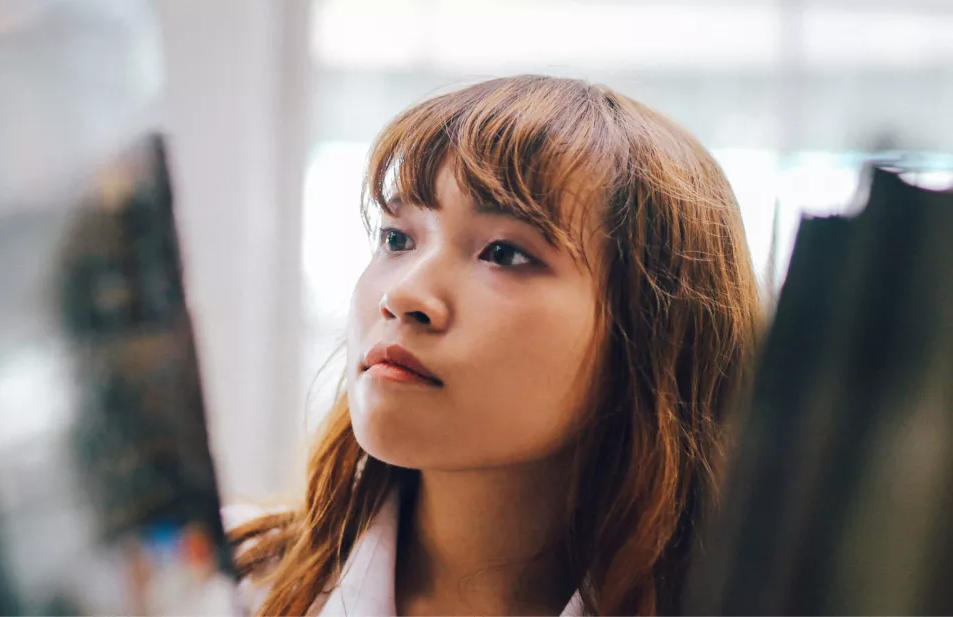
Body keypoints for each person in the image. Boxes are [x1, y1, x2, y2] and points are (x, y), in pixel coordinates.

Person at [225, 75, 763, 616]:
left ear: (652, 334)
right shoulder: (224, 585)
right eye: (396, 238)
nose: (403, 294)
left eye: (504, 253)